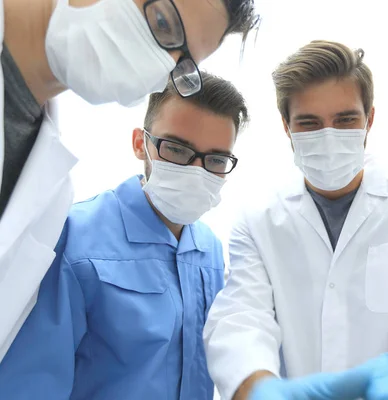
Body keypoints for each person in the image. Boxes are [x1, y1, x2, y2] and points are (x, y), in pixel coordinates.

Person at [203, 40, 388, 400]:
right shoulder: (257, 217)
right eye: (309, 123)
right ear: (286, 127)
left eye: (345, 119)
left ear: (369, 119)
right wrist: (255, 385)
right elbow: (242, 317)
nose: (329, 135)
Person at [0, 0, 258, 361]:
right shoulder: (77, 238)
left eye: (181, 63)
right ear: (142, 144)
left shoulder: (49, 190)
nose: (157, 68)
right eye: (163, 22)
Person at [0, 73, 249, 400]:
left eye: (215, 159)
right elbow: (29, 387)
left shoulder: (209, 250)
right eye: (176, 149)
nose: (196, 170)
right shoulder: (74, 239)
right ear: (139, 144)